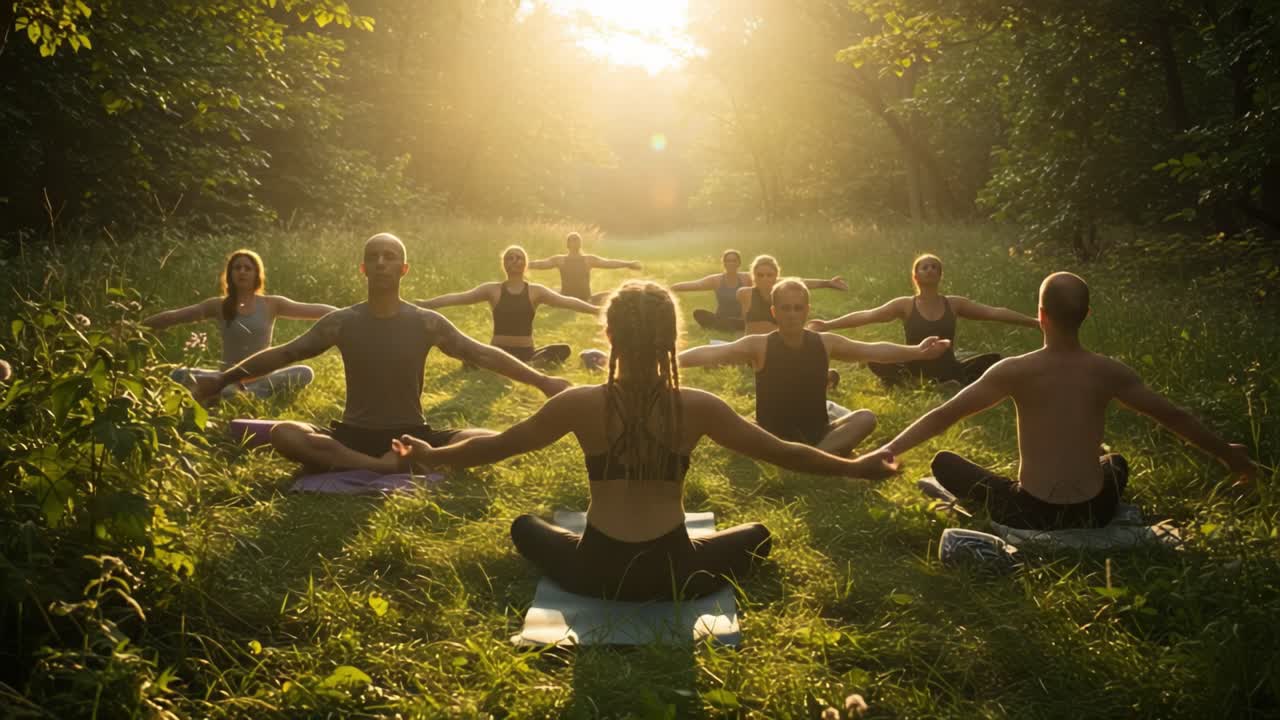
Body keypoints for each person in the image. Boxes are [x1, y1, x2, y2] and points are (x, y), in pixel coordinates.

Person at [393, 280, 897, 601]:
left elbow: (497, 444)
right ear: (673, 340)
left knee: (525, 526)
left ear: (608, 338)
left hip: (593, 571)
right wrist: (856, 467)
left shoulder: (579, 403)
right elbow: (783, 453)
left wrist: (433, 455)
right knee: (758, 534)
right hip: (675, 572)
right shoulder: (699, 406)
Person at [866, 272, 1257, 530]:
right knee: (1115, 463)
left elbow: (943, 415)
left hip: (1031, 511)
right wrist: (1228, 454)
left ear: (1040, 315)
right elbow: (1174, 417)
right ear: (1086, 314)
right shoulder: (1110, 371)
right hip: (1096, 510)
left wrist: (887, 450)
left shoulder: (1014, 370)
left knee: (943, 462)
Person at [192, 233, 571, 474]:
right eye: (374, 256)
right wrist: (222, 379)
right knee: (285, 434)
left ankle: (424, 456)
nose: (382, 262)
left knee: (492, 438)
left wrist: (543, 380)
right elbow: (285, 354)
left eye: (390, 256)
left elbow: (483, 354)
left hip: (415, 434)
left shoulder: (427, 322)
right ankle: (381, 467)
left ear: (403, 268)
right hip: (352, 437)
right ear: (363, 268)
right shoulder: (341, 322)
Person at [679, 279, 951, 455]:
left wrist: (917, 351)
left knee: (865, 417)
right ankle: (817, 458)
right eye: (785, 308)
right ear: (774, 312)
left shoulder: (825, 343)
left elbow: (873, 350)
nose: (792, 314)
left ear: (807, 311)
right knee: (737, 425)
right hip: (772, 434)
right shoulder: (758, 345)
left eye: (798, 308)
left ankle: (814, 457)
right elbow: (713, 353)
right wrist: (671, 361)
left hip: (818, 431)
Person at [808, 253, 1038, 387]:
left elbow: (994, 312)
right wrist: (828, 325)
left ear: (940, 275)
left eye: (935, 267)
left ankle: (944, 382)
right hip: (912, 365)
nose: (930, 270)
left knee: (994, 360)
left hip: (948, 367)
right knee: (874, 359)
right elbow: (868, 316)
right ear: (915, 275)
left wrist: (1034, 322)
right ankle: (915, 382)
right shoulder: (905, 304)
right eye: (924, 267)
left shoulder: (954, 303)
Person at [144, 249, 336, 398]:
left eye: (247, 268)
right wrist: (135, 327)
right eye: (237, 267)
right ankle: (234, 392)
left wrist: (350, 315)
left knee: (305, 372)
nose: (242, 271)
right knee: (176, 375)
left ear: (256, 274)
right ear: (230, 274)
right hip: (226, 377)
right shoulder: (217, 305)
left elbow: (316, 310)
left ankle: (246, 393)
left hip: (263, 376)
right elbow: (174, 317)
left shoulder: (272, 304)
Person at [417, 245, 600, 367]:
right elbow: (459, 298)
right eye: (509, 258)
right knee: (469, 350)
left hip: (526, 352)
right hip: (498, 351)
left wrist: (596, 310)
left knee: (563, 350)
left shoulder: (536, 291)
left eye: (518, 258)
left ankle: (526, 364)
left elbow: (567, 301)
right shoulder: (492, 290)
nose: (514, 261)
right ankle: (499, 364)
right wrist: (428, 304)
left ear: (525, 264)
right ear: (504, 264)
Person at [739, 255, 846, 335]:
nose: (764, 279)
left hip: (777, 347)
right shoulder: (744, 294)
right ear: (753, 276)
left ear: (776, 276)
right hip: (750, 350)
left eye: (769, 275)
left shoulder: (782, 294)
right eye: (760, 275)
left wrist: (828, 283)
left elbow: (800, 282)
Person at [527, 231, 642, 303]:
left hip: (585, 298)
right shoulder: (560, 260)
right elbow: (541, 264)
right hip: (567, 298)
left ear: (580, 244)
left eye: (576, 240)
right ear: (567, 244)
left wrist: (628, 264)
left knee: (611, 294)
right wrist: (524, 265)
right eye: (572, 240)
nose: (574, 242)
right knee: (549, 291)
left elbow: (609, 263)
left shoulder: (588, 260)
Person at [670, 248, 752, 332]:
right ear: (724, 263)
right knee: (698, 313)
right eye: (728, 261)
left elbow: (764, 283)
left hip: (741, 319)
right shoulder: (716, 280)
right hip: (721, 318)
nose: (731, 263)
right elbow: (695, 284)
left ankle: (726, 326)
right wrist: (670, 289)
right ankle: (726, 326)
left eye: (734, 261)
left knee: (747, 320)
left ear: (739, 263)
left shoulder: (746, 278)